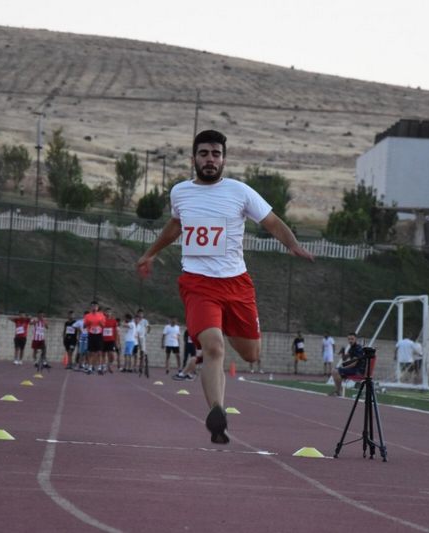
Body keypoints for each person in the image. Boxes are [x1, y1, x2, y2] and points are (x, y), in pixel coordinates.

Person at [136, 129, 314, 444]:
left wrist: (293, 245)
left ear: (223, 159)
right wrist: (150, 253)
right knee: (213, 347)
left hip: (236, 284)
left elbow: (272, 221)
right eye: (204, 153)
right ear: (194, 158)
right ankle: (217, 413)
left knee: (250, 354)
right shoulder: (180, 192)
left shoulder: (240, 192)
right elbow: (176, 225)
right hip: (198, 283)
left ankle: (223, 330)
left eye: (215, 154)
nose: (210, 159)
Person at [83, 301, 105, 375]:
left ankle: (99, 368)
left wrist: (100, 323)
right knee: (90, 352)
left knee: (99, 352)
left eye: (95, 306)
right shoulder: (87, 316)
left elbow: (103, 326)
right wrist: (87, 323)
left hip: (98, 335)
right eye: (92, 306)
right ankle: (89, 368)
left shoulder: (101, 315)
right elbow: (84, 326)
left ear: (98, 307)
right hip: (91, 335)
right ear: (91, 307)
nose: (94, 307)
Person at [101, 308, 119, 375]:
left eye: (109, 312)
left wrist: (116, 341)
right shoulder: (102, 320)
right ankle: (104, 367)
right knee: (103, 355)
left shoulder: (114, 321)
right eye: (107, 312)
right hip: (103, 340)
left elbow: (116, 332)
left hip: (111, 340)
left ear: (111, 313)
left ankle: (109, 364)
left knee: (111, 355)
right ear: (105, 313)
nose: (108, 313)